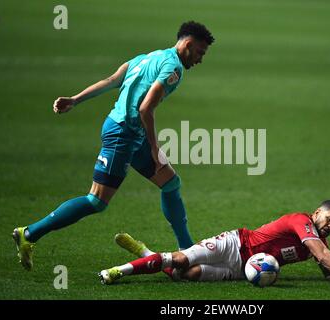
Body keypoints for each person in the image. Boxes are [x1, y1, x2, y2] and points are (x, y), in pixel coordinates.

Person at [13, 21, 215, 271]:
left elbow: (111, 80)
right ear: (188, 44)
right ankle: (29, 233)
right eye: (200, 52)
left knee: (170, 183)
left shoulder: (148, 57)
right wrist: (154, 147)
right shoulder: (173, 68)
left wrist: (75, 99)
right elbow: (145, 108)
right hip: (122, 134)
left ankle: (187, 251)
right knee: (96, 200)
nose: (200, 59)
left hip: (132, 133)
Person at [99, 200, 330, 288]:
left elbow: (326, 266)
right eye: (329, 219)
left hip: (242, 268)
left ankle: (147, 253)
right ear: (317, 213)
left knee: (186, 275)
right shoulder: (301, 221)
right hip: (235, 243)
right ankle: (118, 271)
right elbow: (323, 256)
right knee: (181, 260)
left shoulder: (320, 241)